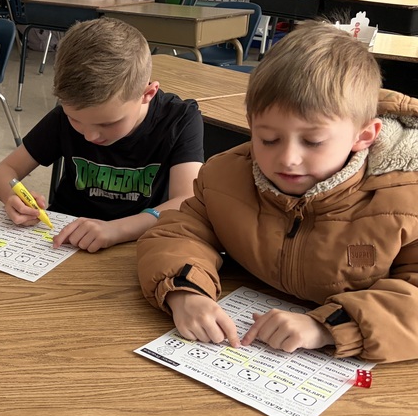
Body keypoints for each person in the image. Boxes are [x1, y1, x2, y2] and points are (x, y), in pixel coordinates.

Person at [137, 22, 418, 363]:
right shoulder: (225, 176)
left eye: (313, 141)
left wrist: (327, 327)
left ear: (364, 136)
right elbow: (178, 231)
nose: (287, 158)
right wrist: (184, 291)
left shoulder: (405, 201)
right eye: (268, 139)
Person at [0, 17, 203, 252]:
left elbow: (186, 200)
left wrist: (117, 229)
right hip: (63, 238)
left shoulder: (179, 119)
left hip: (138, 241)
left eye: (108, 123)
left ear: (148, 93)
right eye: (76, 120)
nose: (90, 136)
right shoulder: (63, 117)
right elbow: (3, 172)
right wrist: (12, 197)